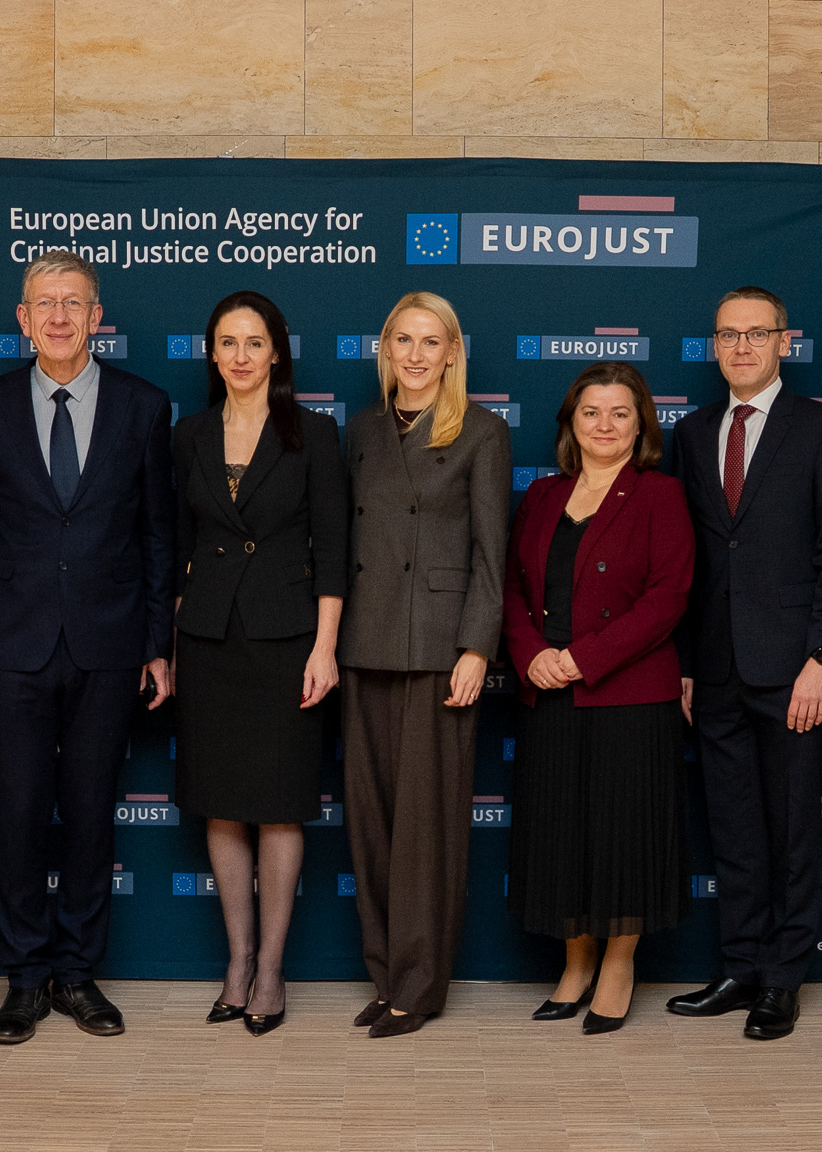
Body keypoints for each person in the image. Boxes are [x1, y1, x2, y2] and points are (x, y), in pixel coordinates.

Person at [0, 251, 176, 1045]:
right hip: (12, 647)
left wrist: (156, 645)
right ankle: (22, 982)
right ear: (22, 318)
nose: (57, 317)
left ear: (95, 317)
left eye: (72, 303)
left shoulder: (145, 407)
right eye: (42, 303)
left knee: (89, 817)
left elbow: (158, 539)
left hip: (108, 646)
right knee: (16, 816)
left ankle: (78, 976)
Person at [665, 286, 822, 1040]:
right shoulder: (691, 433)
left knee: (790, 833)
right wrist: (686, 661)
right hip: (714, 669)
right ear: (713, 346)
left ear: (786, 341)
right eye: (728, 335)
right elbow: (691, 561)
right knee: (734, 829)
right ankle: (741, 964)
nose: (742, 346)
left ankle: (784, 979)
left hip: (792, 670)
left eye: (757, 333)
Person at [173, 290, 348, 1037]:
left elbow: (337, 551)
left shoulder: (312, 433)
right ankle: (236, 963)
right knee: (221, 804)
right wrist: (173, 639)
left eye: (255, 342)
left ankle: (272, 969)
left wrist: (325, 647)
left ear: (277, 352)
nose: (240, 356)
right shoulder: (187, 435)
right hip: (211, 643)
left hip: (287, 642)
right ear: (211, 355)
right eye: (227, 343)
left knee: (279, 805)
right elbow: (172, 546)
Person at [501, 361, 694, 1035]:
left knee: (623, 838)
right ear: (570, 423)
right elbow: (512, 593)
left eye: (620, 413)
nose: (604, 425)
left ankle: (617, 966)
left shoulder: (659, 496)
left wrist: (583, 659)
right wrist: (533, 658)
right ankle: (575, 964)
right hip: (548, 695)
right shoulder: (543, 496)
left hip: (629, 698)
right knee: (563, 837)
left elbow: (667, 599)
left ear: (640, 424)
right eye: (591, 413)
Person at [339, 292, 511, 1038]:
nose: (414, 354)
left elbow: (490, 555)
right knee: (372, 826)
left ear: (451, 354)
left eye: (430, 341)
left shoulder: (482, 432)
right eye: (402, 340)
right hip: (365, 644)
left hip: (440, 649)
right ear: (386, 349)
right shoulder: (364, 431)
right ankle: (386, 975)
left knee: (425, 832)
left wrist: (476, 647)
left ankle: (420, 985)